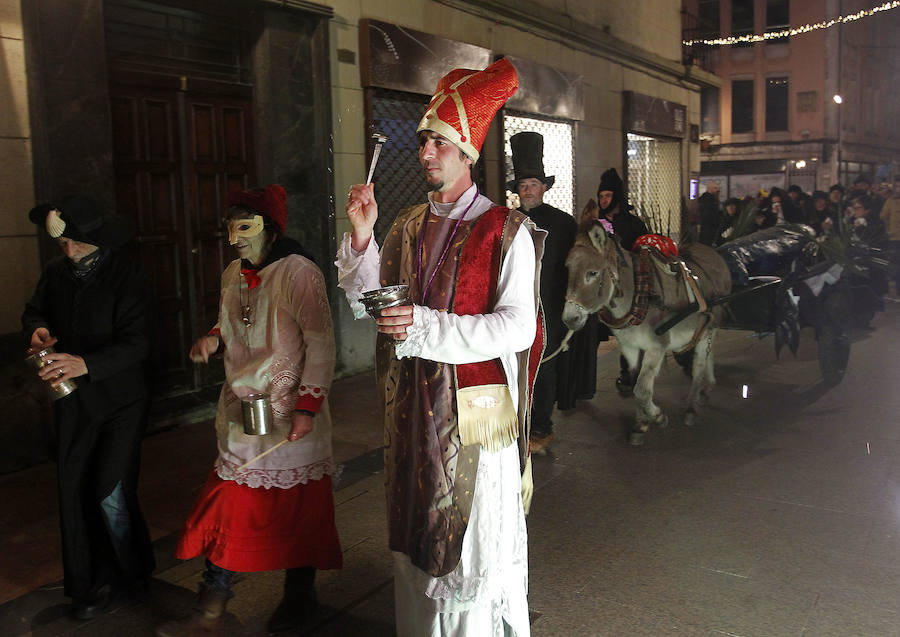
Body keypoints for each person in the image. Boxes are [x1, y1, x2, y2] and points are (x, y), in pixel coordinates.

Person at [336, 57, 542, 636]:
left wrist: (425, 326)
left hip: (475, 420)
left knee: (470, 550)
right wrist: (361, 235)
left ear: (468, 153)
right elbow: (377, 301)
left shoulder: (507, 230)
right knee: (416, 537)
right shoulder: (403, 225)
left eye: (439, 143)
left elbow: (518, 328)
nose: (425, 152)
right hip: (411, 411)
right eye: (423, 140)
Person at [157, 185, 342, 637]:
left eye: (244, 227)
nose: (233, 238)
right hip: (243, 410)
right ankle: (210, 612)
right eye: (229, 228)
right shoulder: (232, 272)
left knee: (298, 511)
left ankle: (294, 600)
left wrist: (308, 406)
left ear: (271, 228)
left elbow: (320, 341)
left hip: (289, 412)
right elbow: (231, 316)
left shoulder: (298, 271)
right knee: (228, 504)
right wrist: (213, 337)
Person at [22, 195, 155, 620]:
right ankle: (88, 584)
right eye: (63, 244)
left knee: (108, 488)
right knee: (73, 487)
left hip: (120, 400)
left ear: (97, 239)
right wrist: (39, 329)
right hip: (73, 401)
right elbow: (34, 311)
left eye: (77, 243)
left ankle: (130, 573)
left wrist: (87, 363)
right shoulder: (56, 274)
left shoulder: (128, 276)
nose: (69, 251)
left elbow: (139, 342)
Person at [507, 131, 576, 455]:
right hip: (512, 307)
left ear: (544, 188)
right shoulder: (506, 222)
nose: (528, 190)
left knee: (544, 368)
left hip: (549, 308)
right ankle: (518, 425)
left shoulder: (563, 223)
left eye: (533, 185)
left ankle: (541, 427)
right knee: (515, 369)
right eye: (523, 186)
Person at [594, 167, 648, 394]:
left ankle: (630, 372)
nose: (604, 200)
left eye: (607, 196)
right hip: (603, 285)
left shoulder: (633, 223)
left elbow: (643, 250)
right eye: (601, 196)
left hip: (629, 285)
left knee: (630, 330)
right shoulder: (596, 224)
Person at [697, 181, 721, 245]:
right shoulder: (709, 199)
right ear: (709, 188)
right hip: (709, 224)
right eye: (715, 188)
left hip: (707, 224)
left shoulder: (704, 198)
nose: (717, 190)